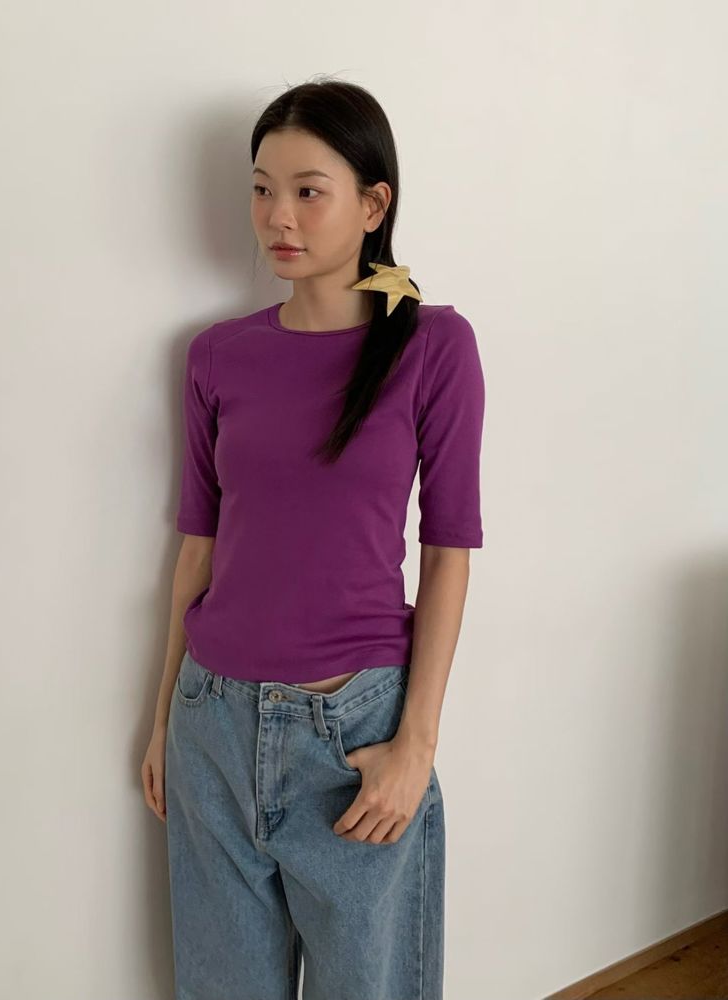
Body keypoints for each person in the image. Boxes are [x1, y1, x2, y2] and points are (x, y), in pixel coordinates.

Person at [141, 77, 486, 1000]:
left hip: (355, 739)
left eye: (308, 190)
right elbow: (197, 548)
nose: (277, 216)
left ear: (373, 205)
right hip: (212, 725)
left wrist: (416, 744)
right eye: (262, 189)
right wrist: (164, 715)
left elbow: (449, 552)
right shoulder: (217, 355)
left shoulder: (434, 347)